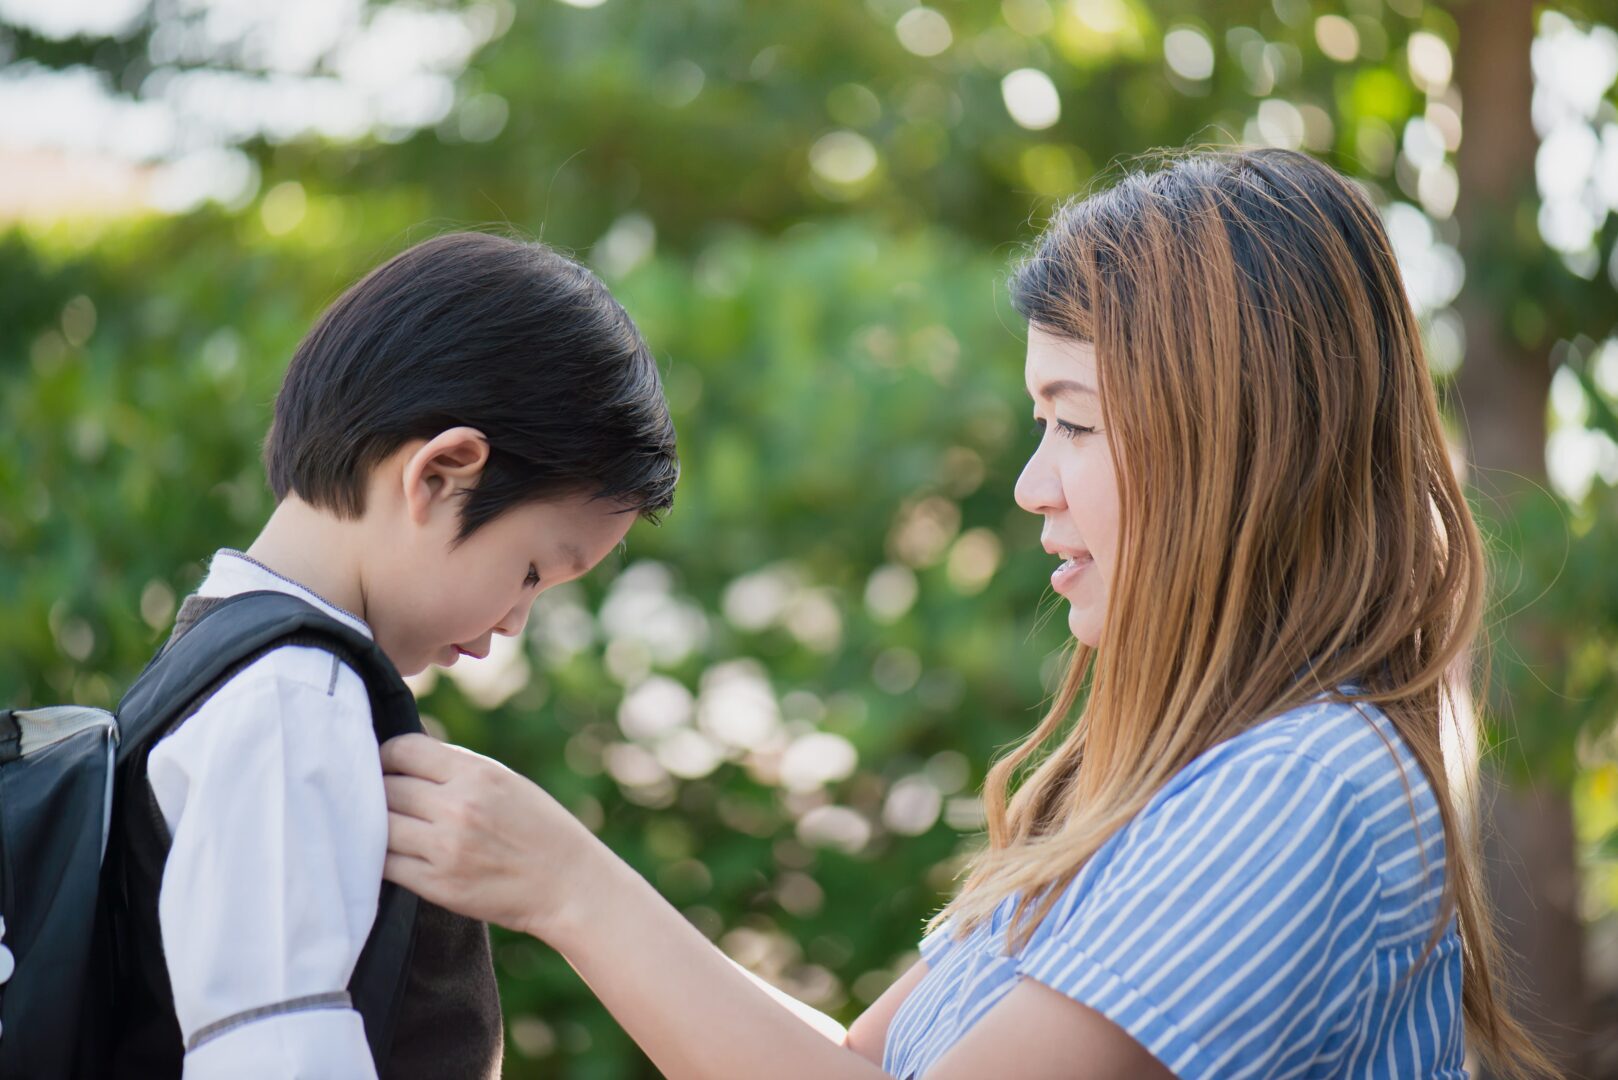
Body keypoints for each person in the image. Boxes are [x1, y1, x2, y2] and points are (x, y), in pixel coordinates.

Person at [378, 150, 1554, 1078]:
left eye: (1076, 423)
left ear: (1241, 448)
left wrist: (571, 890)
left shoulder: (1300, 787)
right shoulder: (1162, 783)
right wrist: (568, 888)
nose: (1032, 484)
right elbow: (850, 1068)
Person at [121, 231, 678, 1078]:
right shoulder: (292, 701)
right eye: (531, 571)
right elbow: (276, 1056)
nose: (514, 622)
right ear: (442, 473)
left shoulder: (229, 658)